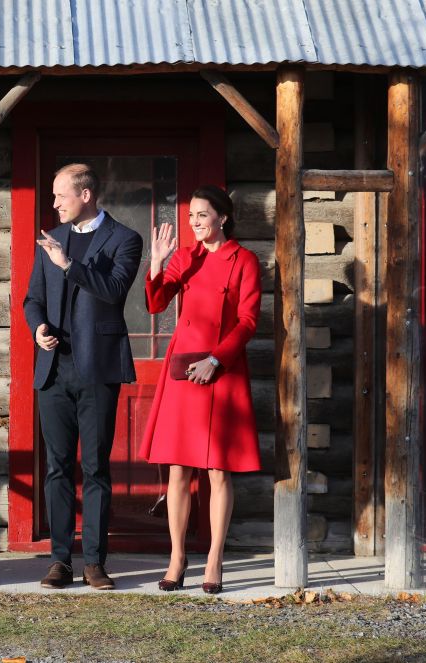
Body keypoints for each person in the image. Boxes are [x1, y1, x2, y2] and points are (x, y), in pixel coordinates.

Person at [23, 163, 143, 590]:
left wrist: (69, 264)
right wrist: (37, 329)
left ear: (86, 195)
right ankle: (60, 561)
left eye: (60, 195)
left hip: (98, 368)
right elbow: (32, 298)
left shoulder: (125, 238)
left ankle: (94, 562)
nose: (54, 203)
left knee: (94, 467)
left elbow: (112, 291)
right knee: (57, 468)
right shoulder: (49, 242)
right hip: (53, 371)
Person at [140, 185, 262, 594]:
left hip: (220, 368)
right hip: (184, 369)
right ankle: (177, 556)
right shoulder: (185, 257)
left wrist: (216, 360)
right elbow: (157, 304)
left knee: (218, 470)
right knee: (178, 468)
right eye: (191, 216)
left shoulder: (243, 260)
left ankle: (214, 558)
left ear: (222, 218)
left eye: (202, 215)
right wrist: (156, 263)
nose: (194, 223)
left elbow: (247, 321)